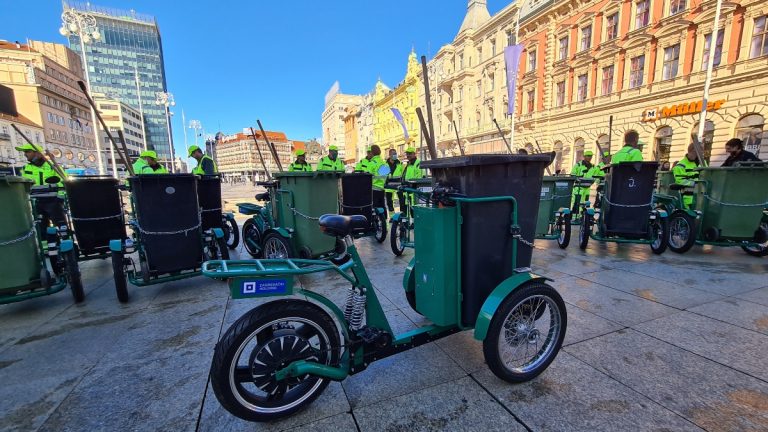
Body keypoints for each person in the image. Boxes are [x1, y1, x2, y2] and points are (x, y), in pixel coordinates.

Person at [16, 142, 67, 235]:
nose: (25, 154)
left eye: (27, 151)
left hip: (53, 202)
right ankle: (46, 247)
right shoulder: (25, 168)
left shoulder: (52, 166)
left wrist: (60, 198)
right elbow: (22, 186)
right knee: (41, 229)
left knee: (62, 227)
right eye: (24, 152)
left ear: (37, 153)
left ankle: (67, 246)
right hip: (36, 203)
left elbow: (64, 182)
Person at [672, 144, 700, 208]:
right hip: (688, 199)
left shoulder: (702, 163)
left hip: (702, 198)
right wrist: (696, 184)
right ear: (690, 151)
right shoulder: (680, 165)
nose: (697, 155)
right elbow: (680, 181)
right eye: (695, 152)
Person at [397, 147, 424, 215]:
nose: (408, 155)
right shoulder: (408, 164)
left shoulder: (418, 163)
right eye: (407, 154)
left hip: (414, 192)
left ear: (414, 154)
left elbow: (419, 178)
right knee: (408, 212)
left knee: (414, 212)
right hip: (408, 191)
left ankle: (415, 224)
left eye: (410, 153)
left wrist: (409, 183)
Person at [366, 144, 388, 216]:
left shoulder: (372, 163)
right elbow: (386, 176)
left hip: (373, 189)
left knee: (374, 209)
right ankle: (384, 224)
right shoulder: (384, 163)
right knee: (382, 206)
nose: (368, 154)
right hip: (382, 189)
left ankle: (375, 224)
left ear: (372, 153)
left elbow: (367, 176)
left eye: (369, 152)